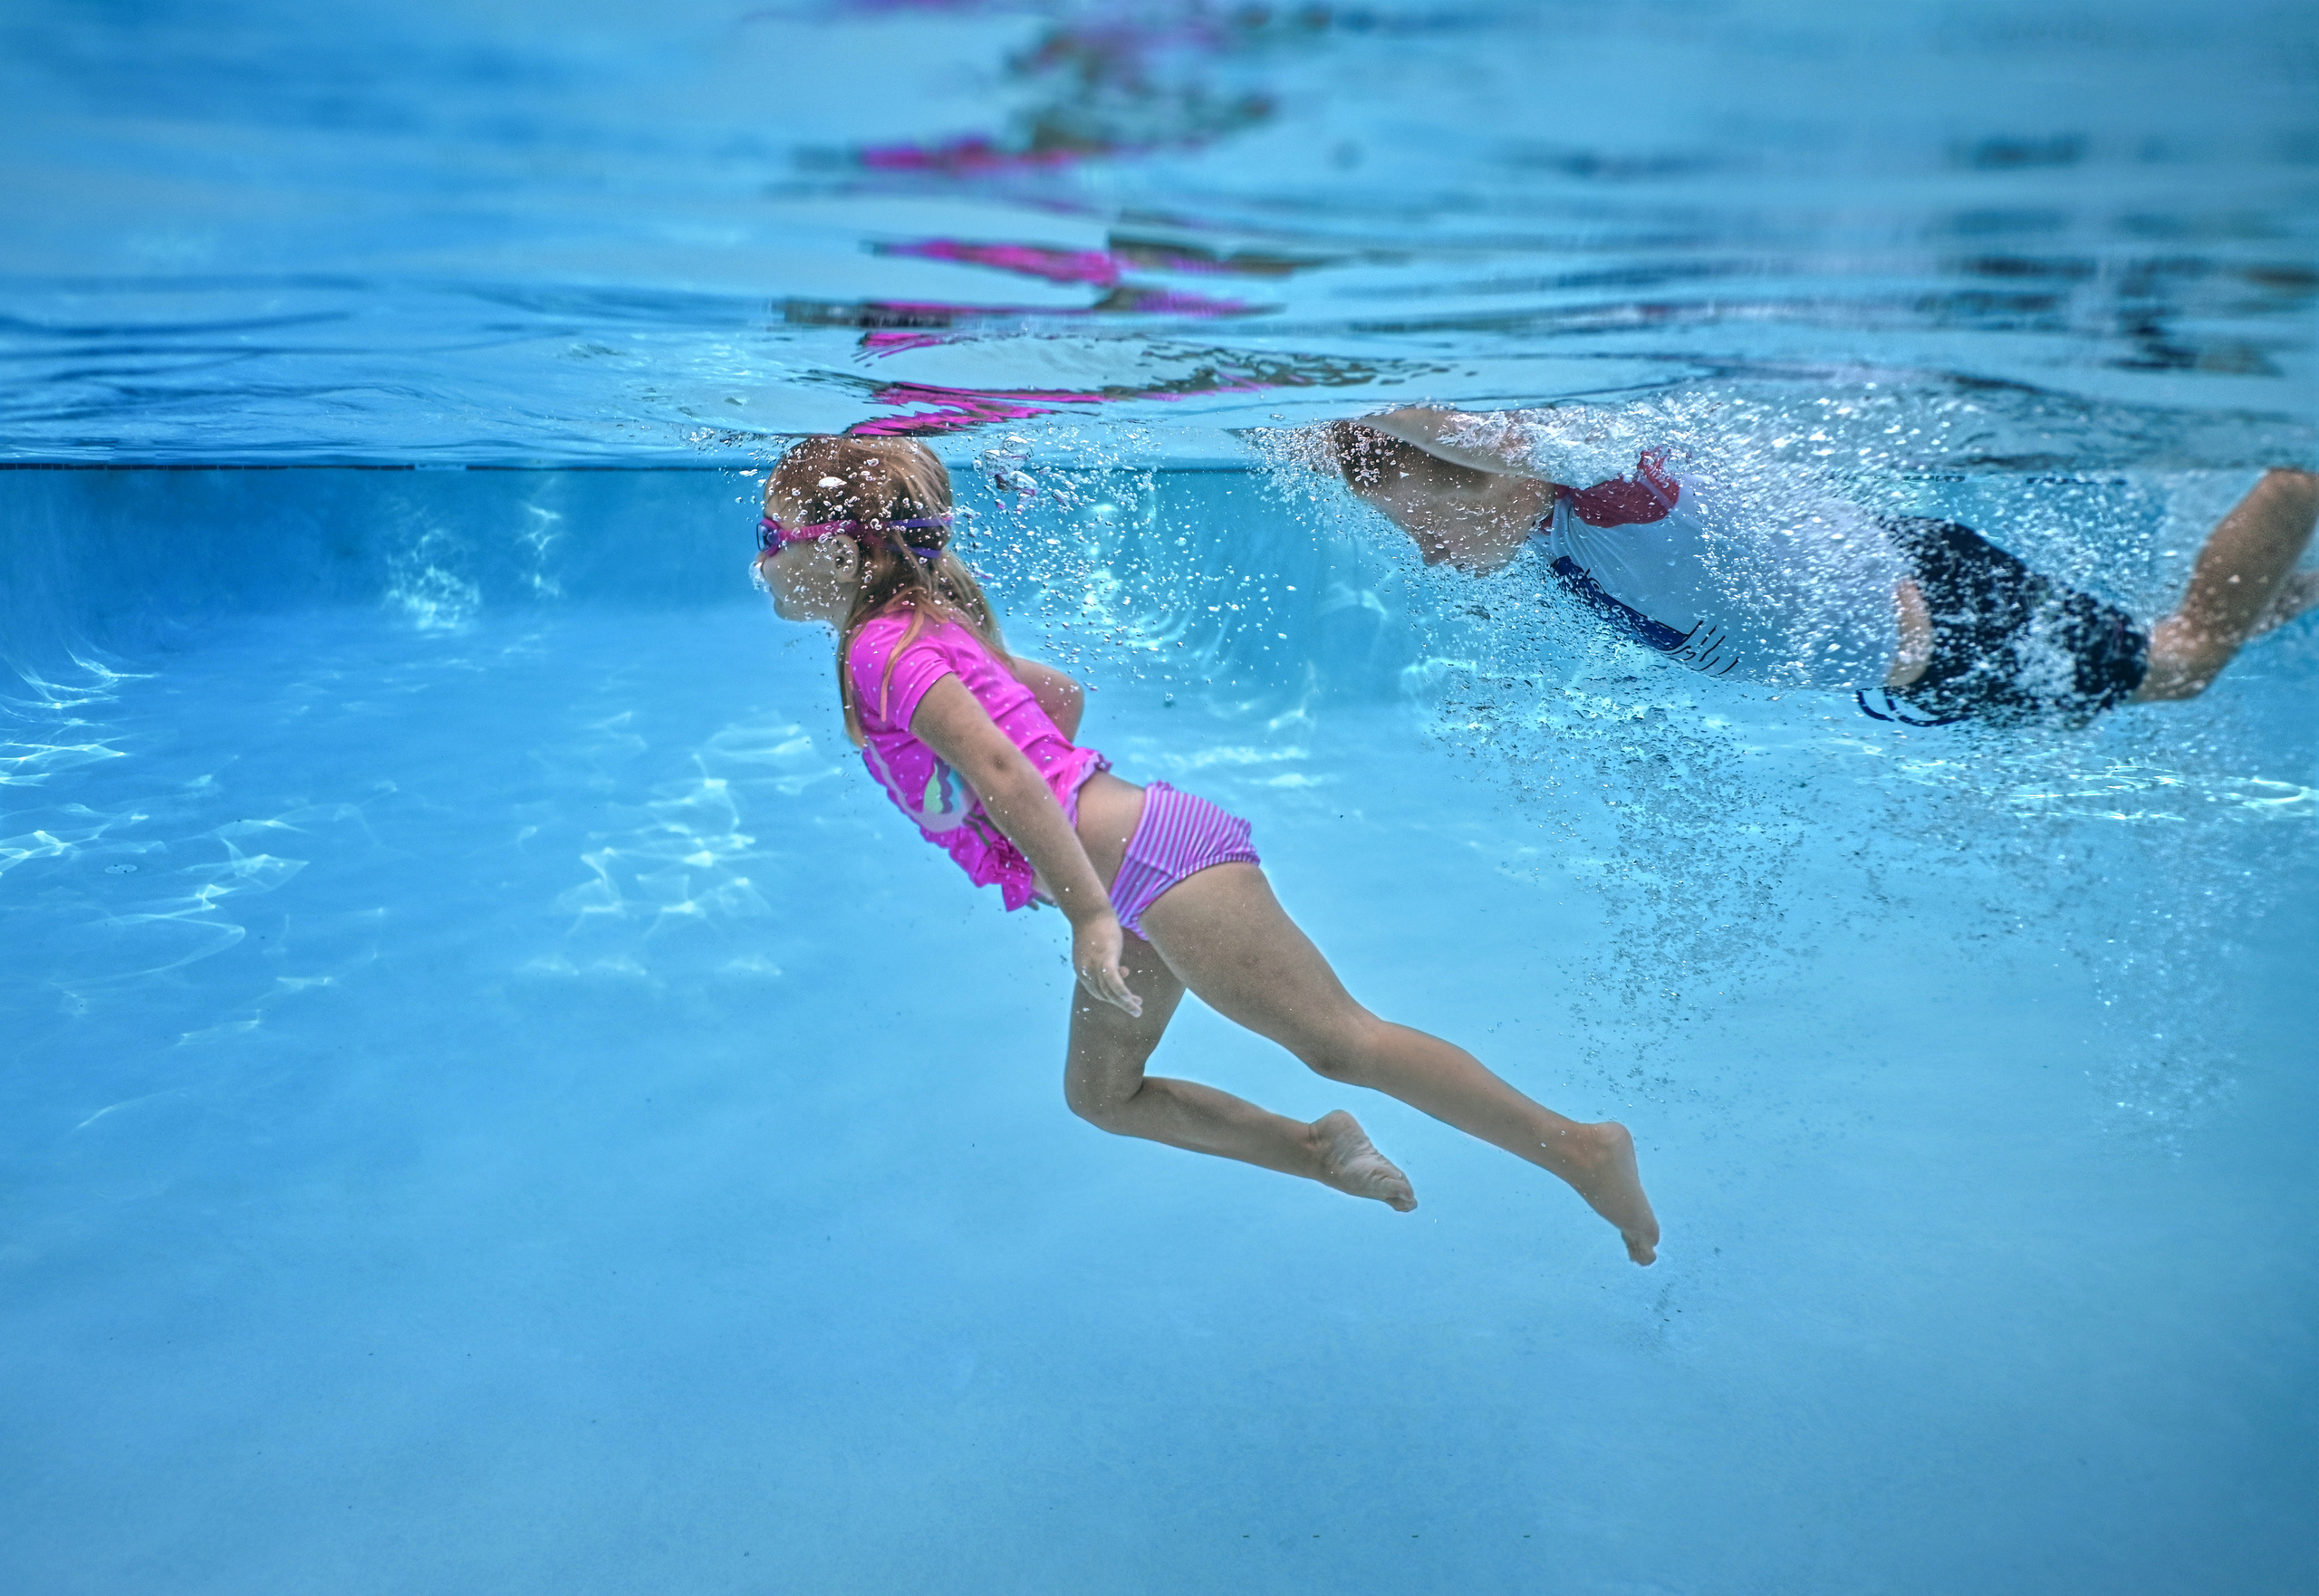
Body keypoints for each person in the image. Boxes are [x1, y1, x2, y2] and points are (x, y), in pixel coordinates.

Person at [751, 435, 1660, 1264]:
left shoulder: (882, 645)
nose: (762, 561)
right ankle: (1318, 1148)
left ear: (840, 550)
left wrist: (1089, 909)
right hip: (1135, 868)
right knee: (1103, 1095)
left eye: (772, 535)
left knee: (1341, 1040)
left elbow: (1002, 768)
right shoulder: (931, 617)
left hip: (1147, 867)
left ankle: (1579, 1146)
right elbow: (1054, 697)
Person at [1324, 408, 2319, 726]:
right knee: (2151, 645)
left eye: (1430, 532)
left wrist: (1334, 386)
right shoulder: (1546, 525)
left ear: (1494, 480)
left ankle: (2296, 474)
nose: (1430, 560)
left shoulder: (1606, 492)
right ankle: (2286, 579)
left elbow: (1475, 431)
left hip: (1954, 628)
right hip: (1918, 610)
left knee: (2181, 668)